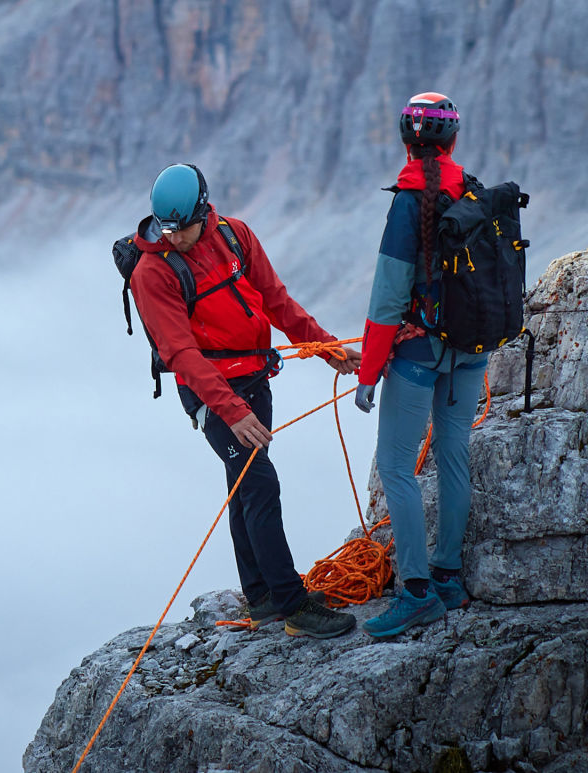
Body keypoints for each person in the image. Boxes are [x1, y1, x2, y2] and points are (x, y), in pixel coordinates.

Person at [130, 163, 361, 639]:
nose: (174, 239)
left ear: (204, 210)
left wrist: (324, 345)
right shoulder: (152, 273)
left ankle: (260, 597)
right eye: (166, 230)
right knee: (259, 486)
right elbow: (181, 354)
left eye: (183, 228)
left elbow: (276, 301)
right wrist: (230, 411)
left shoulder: (234, 236)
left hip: (255, 379)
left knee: (243, 484)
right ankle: (294, 607)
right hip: (214, 395)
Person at [355, 93, 488, 638]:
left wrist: (367, 374)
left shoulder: (410, 201)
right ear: (453, 141)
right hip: (471, 349)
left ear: (407, 143)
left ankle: (414, 593)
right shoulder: (477, 193)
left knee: (396, 466)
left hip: (416, 354)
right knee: (454, 455)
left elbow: (388, 299)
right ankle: (449, 577)